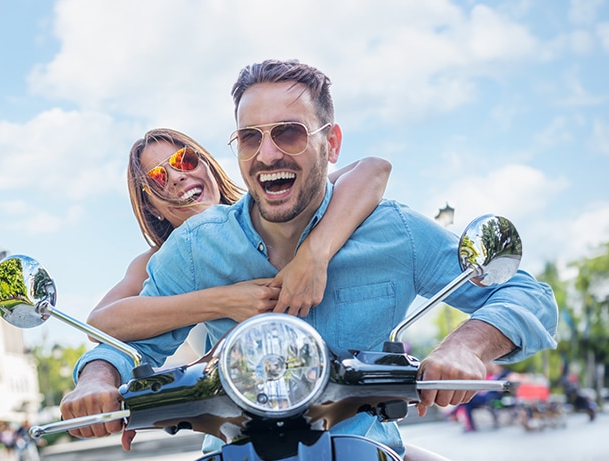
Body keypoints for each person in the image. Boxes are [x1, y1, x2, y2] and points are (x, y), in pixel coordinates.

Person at [62, 59, 558, 460]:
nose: (268, 153)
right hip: (232, 449)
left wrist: (465, 347)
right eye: (251, 137)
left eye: (290, 133)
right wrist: (97, 380)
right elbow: (123, 343)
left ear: (332, 143)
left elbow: (527, 293)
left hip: (364, 445)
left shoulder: (391, 230)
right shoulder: (192, 247)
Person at [85, 128, 392, 340]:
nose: (178, 176)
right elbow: (99, 323)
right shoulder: (156, 263)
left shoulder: (269, 212)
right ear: (151, 207)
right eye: (158, 179)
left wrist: (314, 255)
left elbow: (373, 169)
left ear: (207, 165)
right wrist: (223, 301)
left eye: (184, 161)